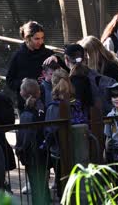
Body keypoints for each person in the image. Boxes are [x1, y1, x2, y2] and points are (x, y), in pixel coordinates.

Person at [6, 21, 63, 112]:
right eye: (36, 38)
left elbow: (65, 73)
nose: (40, 41)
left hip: (48, 102)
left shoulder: (48, 54)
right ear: (27, 38)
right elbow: (9, 81)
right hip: (26, 104)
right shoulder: (18, 56)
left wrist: (56, 58)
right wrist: (24, 83)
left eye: (42, 38)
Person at [16, 78, 51, 204]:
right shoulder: (43, 108)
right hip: (43, 151)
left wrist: (19, 151)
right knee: (43, 185)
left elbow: (24, 138)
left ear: (22, 93)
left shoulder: (27, 114)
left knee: (36, 187)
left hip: (32, 154)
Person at [43, 69, 75, 198]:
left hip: (57, 151)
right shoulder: (75, 103)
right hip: (75, 149)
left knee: (62, 187)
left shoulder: (52, 108)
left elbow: (49, 130)